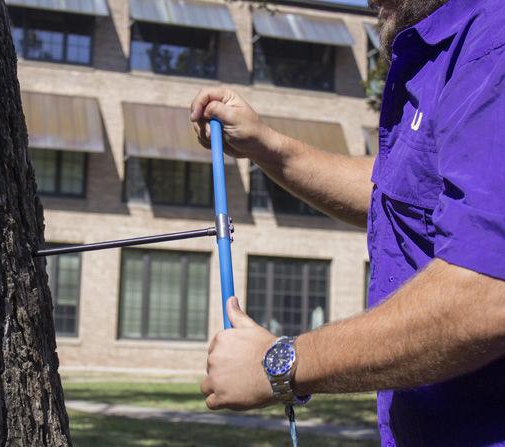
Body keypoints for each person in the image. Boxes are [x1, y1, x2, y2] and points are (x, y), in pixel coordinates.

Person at [189, 0, 505, 445]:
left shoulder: (492, 42)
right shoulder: (450, 44)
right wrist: (267, 147)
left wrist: (281, 365)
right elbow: (405, 194)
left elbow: (488, 294)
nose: (370, 2)